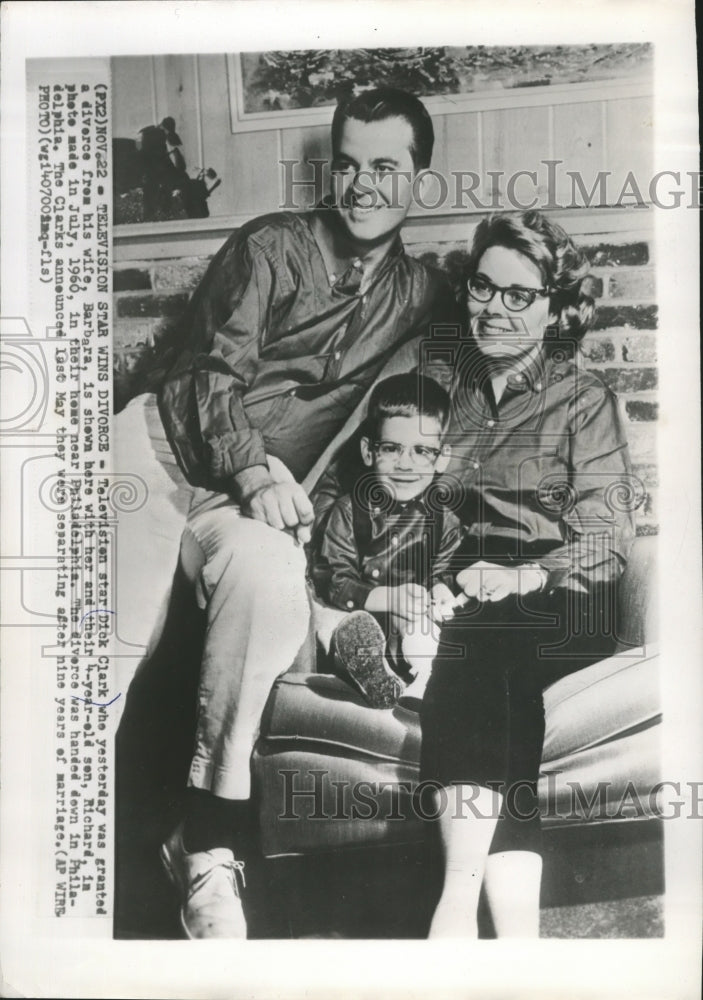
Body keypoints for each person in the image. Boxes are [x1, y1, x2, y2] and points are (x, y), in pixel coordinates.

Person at [115, 86, 459, 939]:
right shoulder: (271, 244)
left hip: (245, 501)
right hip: (155, 458)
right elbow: (203, 374)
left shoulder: (420, 294)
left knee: (272, 579)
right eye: (347, 164)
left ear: (420, 179)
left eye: (386, 167)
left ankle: (206, 844)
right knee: (113, 647)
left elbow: (426, 409)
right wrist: (254, 466)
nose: (362, 185)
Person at [419, 211, 635, 938]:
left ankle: (452, 907)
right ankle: (513, 932)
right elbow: (370, 490)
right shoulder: (434, 389)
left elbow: (606, 536)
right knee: (488, 660)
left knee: (486, 637)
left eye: (519, 295)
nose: (494, 308)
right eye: (483, 287)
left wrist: (521, 578)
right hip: (465, 595)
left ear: (554, 306)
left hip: (563, 598)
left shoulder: (583, 401)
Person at [311, 373, 464, 709]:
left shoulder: (445, 522)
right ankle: (367, 669)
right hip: (354, 612)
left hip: (408, 626)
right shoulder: (349, 511)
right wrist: (383, 597)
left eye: (422, 451)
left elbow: (442, 571)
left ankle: (422, 679)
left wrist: (440, 590)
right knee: (330, 622)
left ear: (442, 458)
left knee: (431, 631)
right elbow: (332, 578)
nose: (405, 464)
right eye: (391, 448)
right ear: (368, 451)